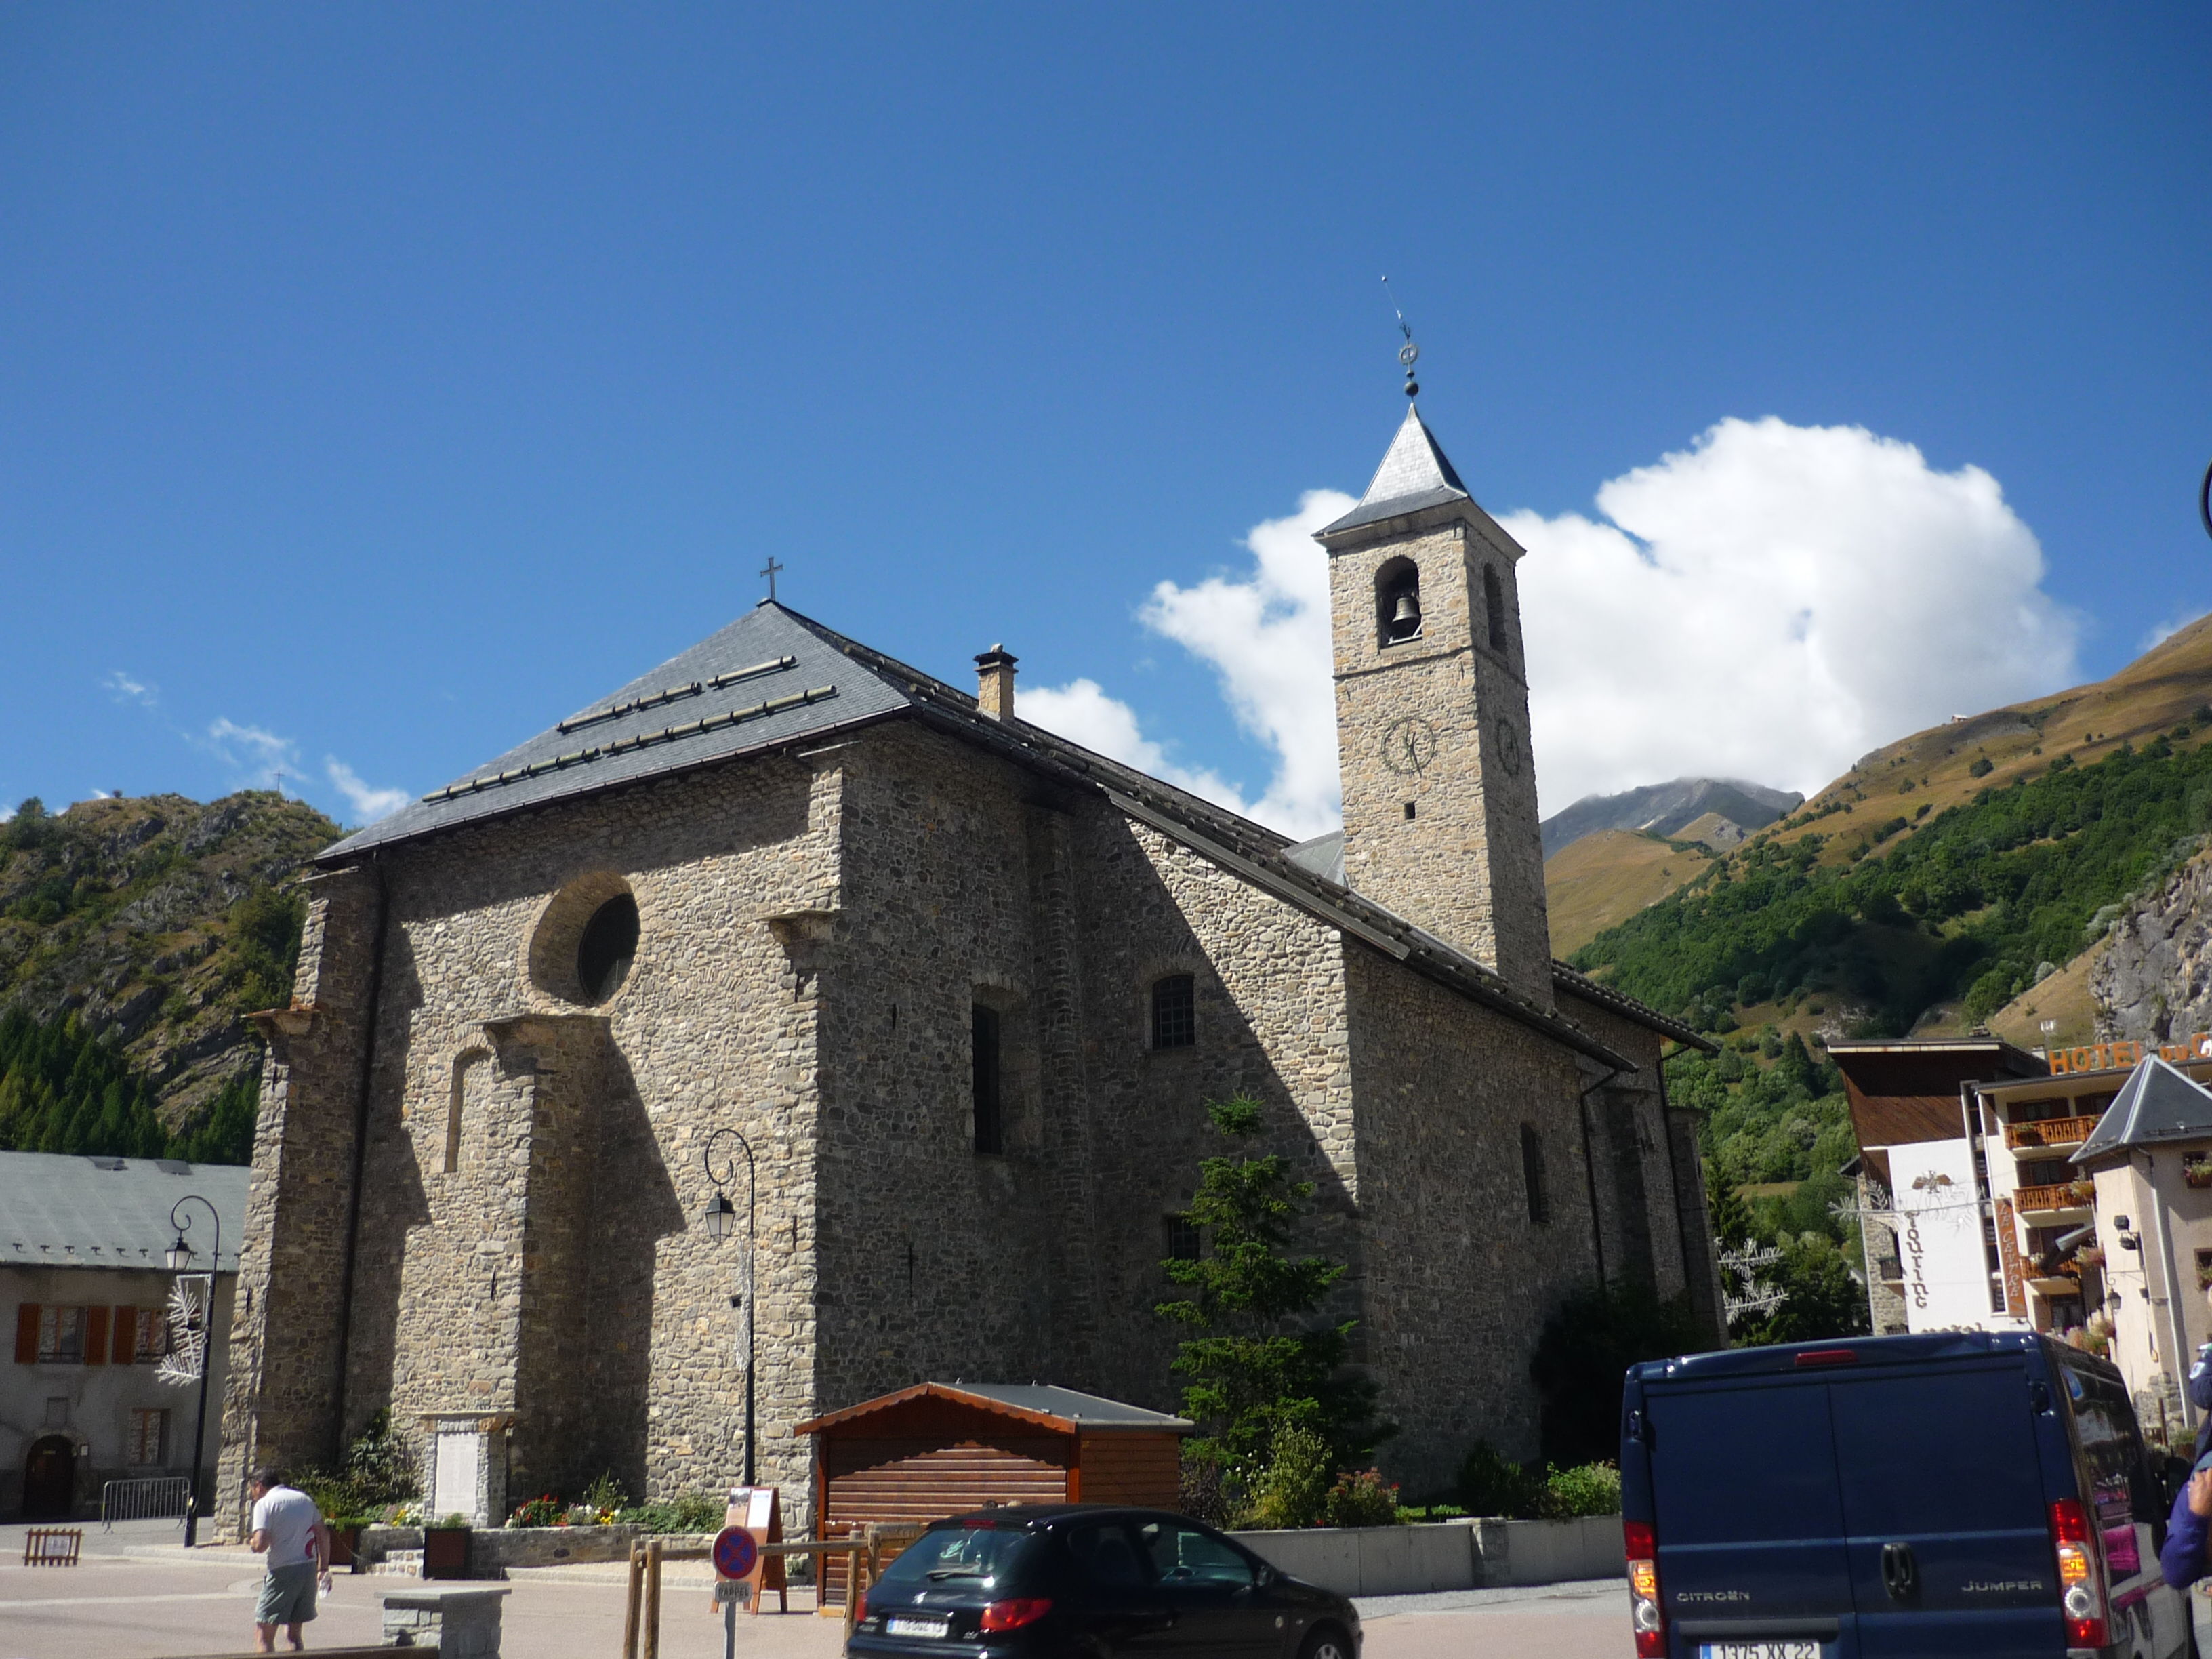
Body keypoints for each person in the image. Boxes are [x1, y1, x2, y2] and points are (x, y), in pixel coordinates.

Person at [247, 1467, 331, 1653]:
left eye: (252, 1489)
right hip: (307, 1569)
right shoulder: (304, 1499)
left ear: (259, 1486)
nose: (252, 1494)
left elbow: (261, 1544)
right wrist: (323, 1568)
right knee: (293, 1635)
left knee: (264, 1634)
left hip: (282, 1571)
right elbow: (323, 1534)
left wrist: (253, 1543)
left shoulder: (265, 1504)